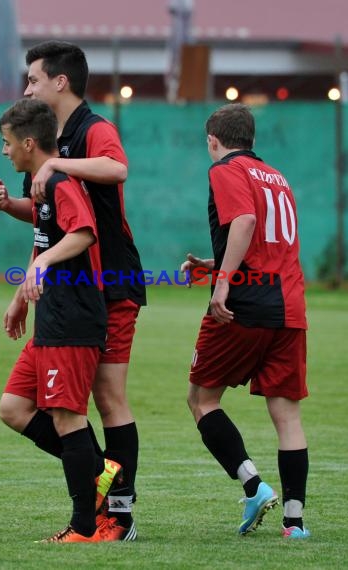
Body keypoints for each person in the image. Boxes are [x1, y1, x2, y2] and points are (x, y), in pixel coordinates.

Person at [0, 41, 145, 541]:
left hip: (108, 281)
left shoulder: (92, 130)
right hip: (70, 290)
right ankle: (100, 485)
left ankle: (117, 515)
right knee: (39, 406)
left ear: (60, 81)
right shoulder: (53, 144)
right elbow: (50, 223)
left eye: (33, 79)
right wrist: (17, 206)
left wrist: (58, 167)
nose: (27, 86)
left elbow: (117, 171)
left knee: (106, 399)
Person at [181, 103, 310, 539]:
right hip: (290, 307)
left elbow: (246, 220)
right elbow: (265, 238)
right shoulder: (277, 176)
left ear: (213, 140)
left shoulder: (225, 170)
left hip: (246, 304)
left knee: (201, 400)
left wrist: (221, 282)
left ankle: (253, 486)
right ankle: (294, 524)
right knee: (287, 415)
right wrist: (214, 261)